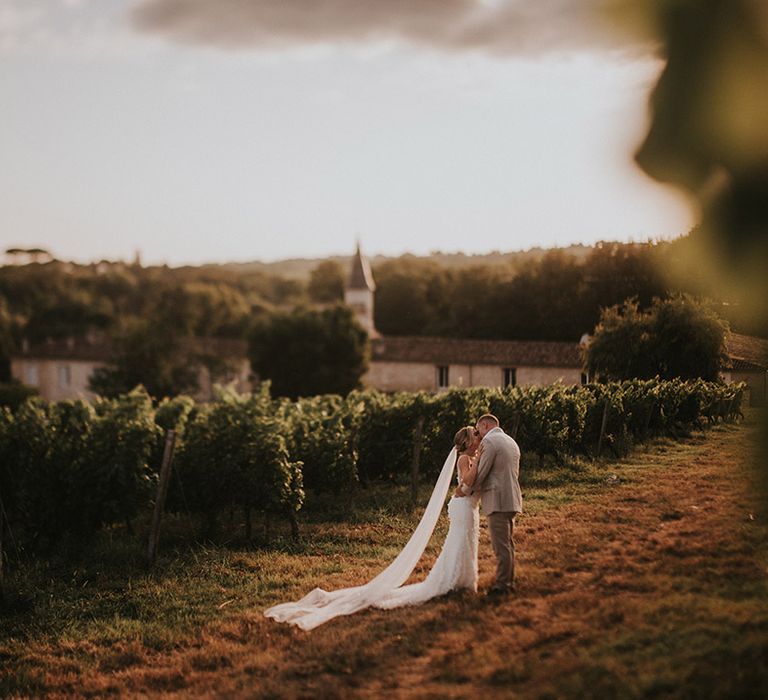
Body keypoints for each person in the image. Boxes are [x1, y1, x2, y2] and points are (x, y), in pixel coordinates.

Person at [374, 425, 482, 609]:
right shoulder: (465, 459)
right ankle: (452, 581)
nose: (479, 438)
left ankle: (463, 580)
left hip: (468, 506)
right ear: (468, 442)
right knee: (461, 542)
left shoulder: (471, 458)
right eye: (476, 435)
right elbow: (465, 482)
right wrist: (479, 461)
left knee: (465, 542)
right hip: (463, 506)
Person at [455, 413, 522, 595]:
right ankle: (509, 581)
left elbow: (481, 473)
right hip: (511, 499)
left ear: (484, 425)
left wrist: (463, 491)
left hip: (497, 500)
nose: (478, 435)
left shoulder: (490, 443)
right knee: (507, 544)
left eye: (478, 430)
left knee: (500, 547)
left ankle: (502, 586)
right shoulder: (510, 441)